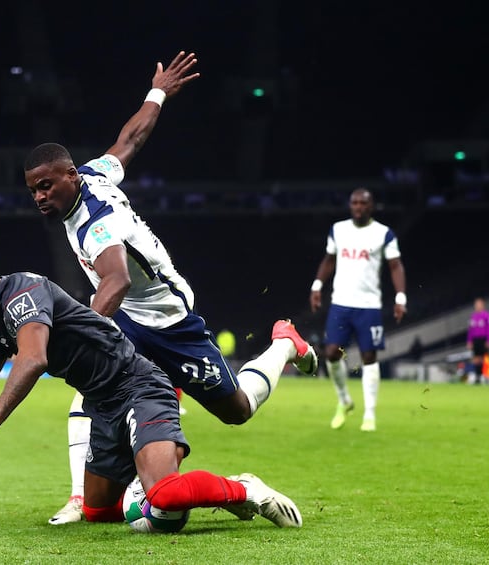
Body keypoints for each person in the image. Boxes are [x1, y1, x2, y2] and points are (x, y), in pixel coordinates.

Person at [22, 51, 318, 524]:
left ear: (69, 175)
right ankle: (85, 497)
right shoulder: (94, 175)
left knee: (236, 410)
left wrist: (83, 330)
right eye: (33, 190)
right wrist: (157, 92)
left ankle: (284, 344)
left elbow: (115, 279)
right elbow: (131, 138)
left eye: (46, 185)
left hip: (167, 319)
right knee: (90, 387)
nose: (39, 197)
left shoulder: (98, 224)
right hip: (129, 318)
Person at [0, 244, 303, 530]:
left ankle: (246, 490)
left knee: (166, 498)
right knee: (98, 513)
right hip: (104, 405)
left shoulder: (24, 293)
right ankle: (150, 488)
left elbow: (33, 358)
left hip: (140, 387)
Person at [309, 188, 407, 432]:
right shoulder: (338, 229)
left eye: (363, 203)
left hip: (369, 306)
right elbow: (329, 259)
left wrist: (400, 297)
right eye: (354, 203)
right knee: (331, 353)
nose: (358, 207)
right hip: (341, 303)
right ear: (350, 205)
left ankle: (370, 414)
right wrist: (317, 285)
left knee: (369, 358)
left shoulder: (384, 234)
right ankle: (344, 401)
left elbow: (395, 266)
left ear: (371, 206)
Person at [466, 297, 489, 384]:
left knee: (485, 358)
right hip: (475, 340)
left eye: (479, 304)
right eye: (476, 304)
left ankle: (487, 377)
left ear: (483, 305)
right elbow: (470, 330)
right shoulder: (473, 316)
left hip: (483, 339)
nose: (477, 306)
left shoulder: (487, 316)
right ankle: (478, 377)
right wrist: (469, 341)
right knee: (476, 358)